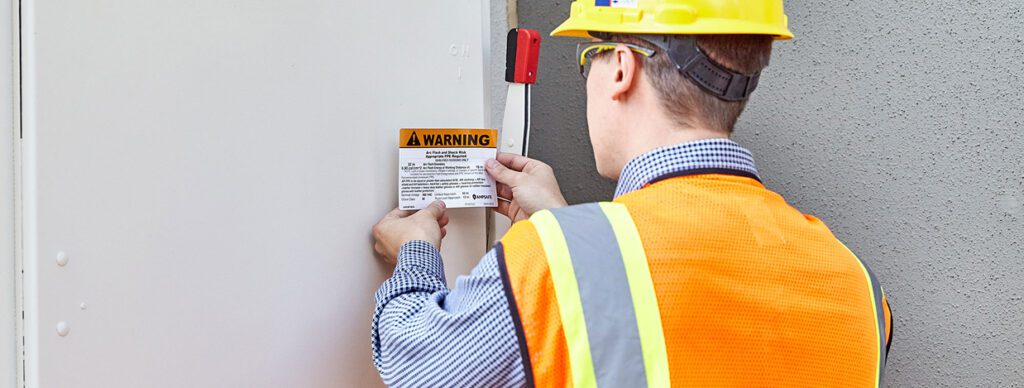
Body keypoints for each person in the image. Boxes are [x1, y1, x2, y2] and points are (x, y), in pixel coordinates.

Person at [370, 0, 892, 386]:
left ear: (620, 67)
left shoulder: (552, 266)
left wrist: (414, 253)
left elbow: (415, 359)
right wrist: (563, 223)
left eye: (588, 61)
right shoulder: (858, 285)